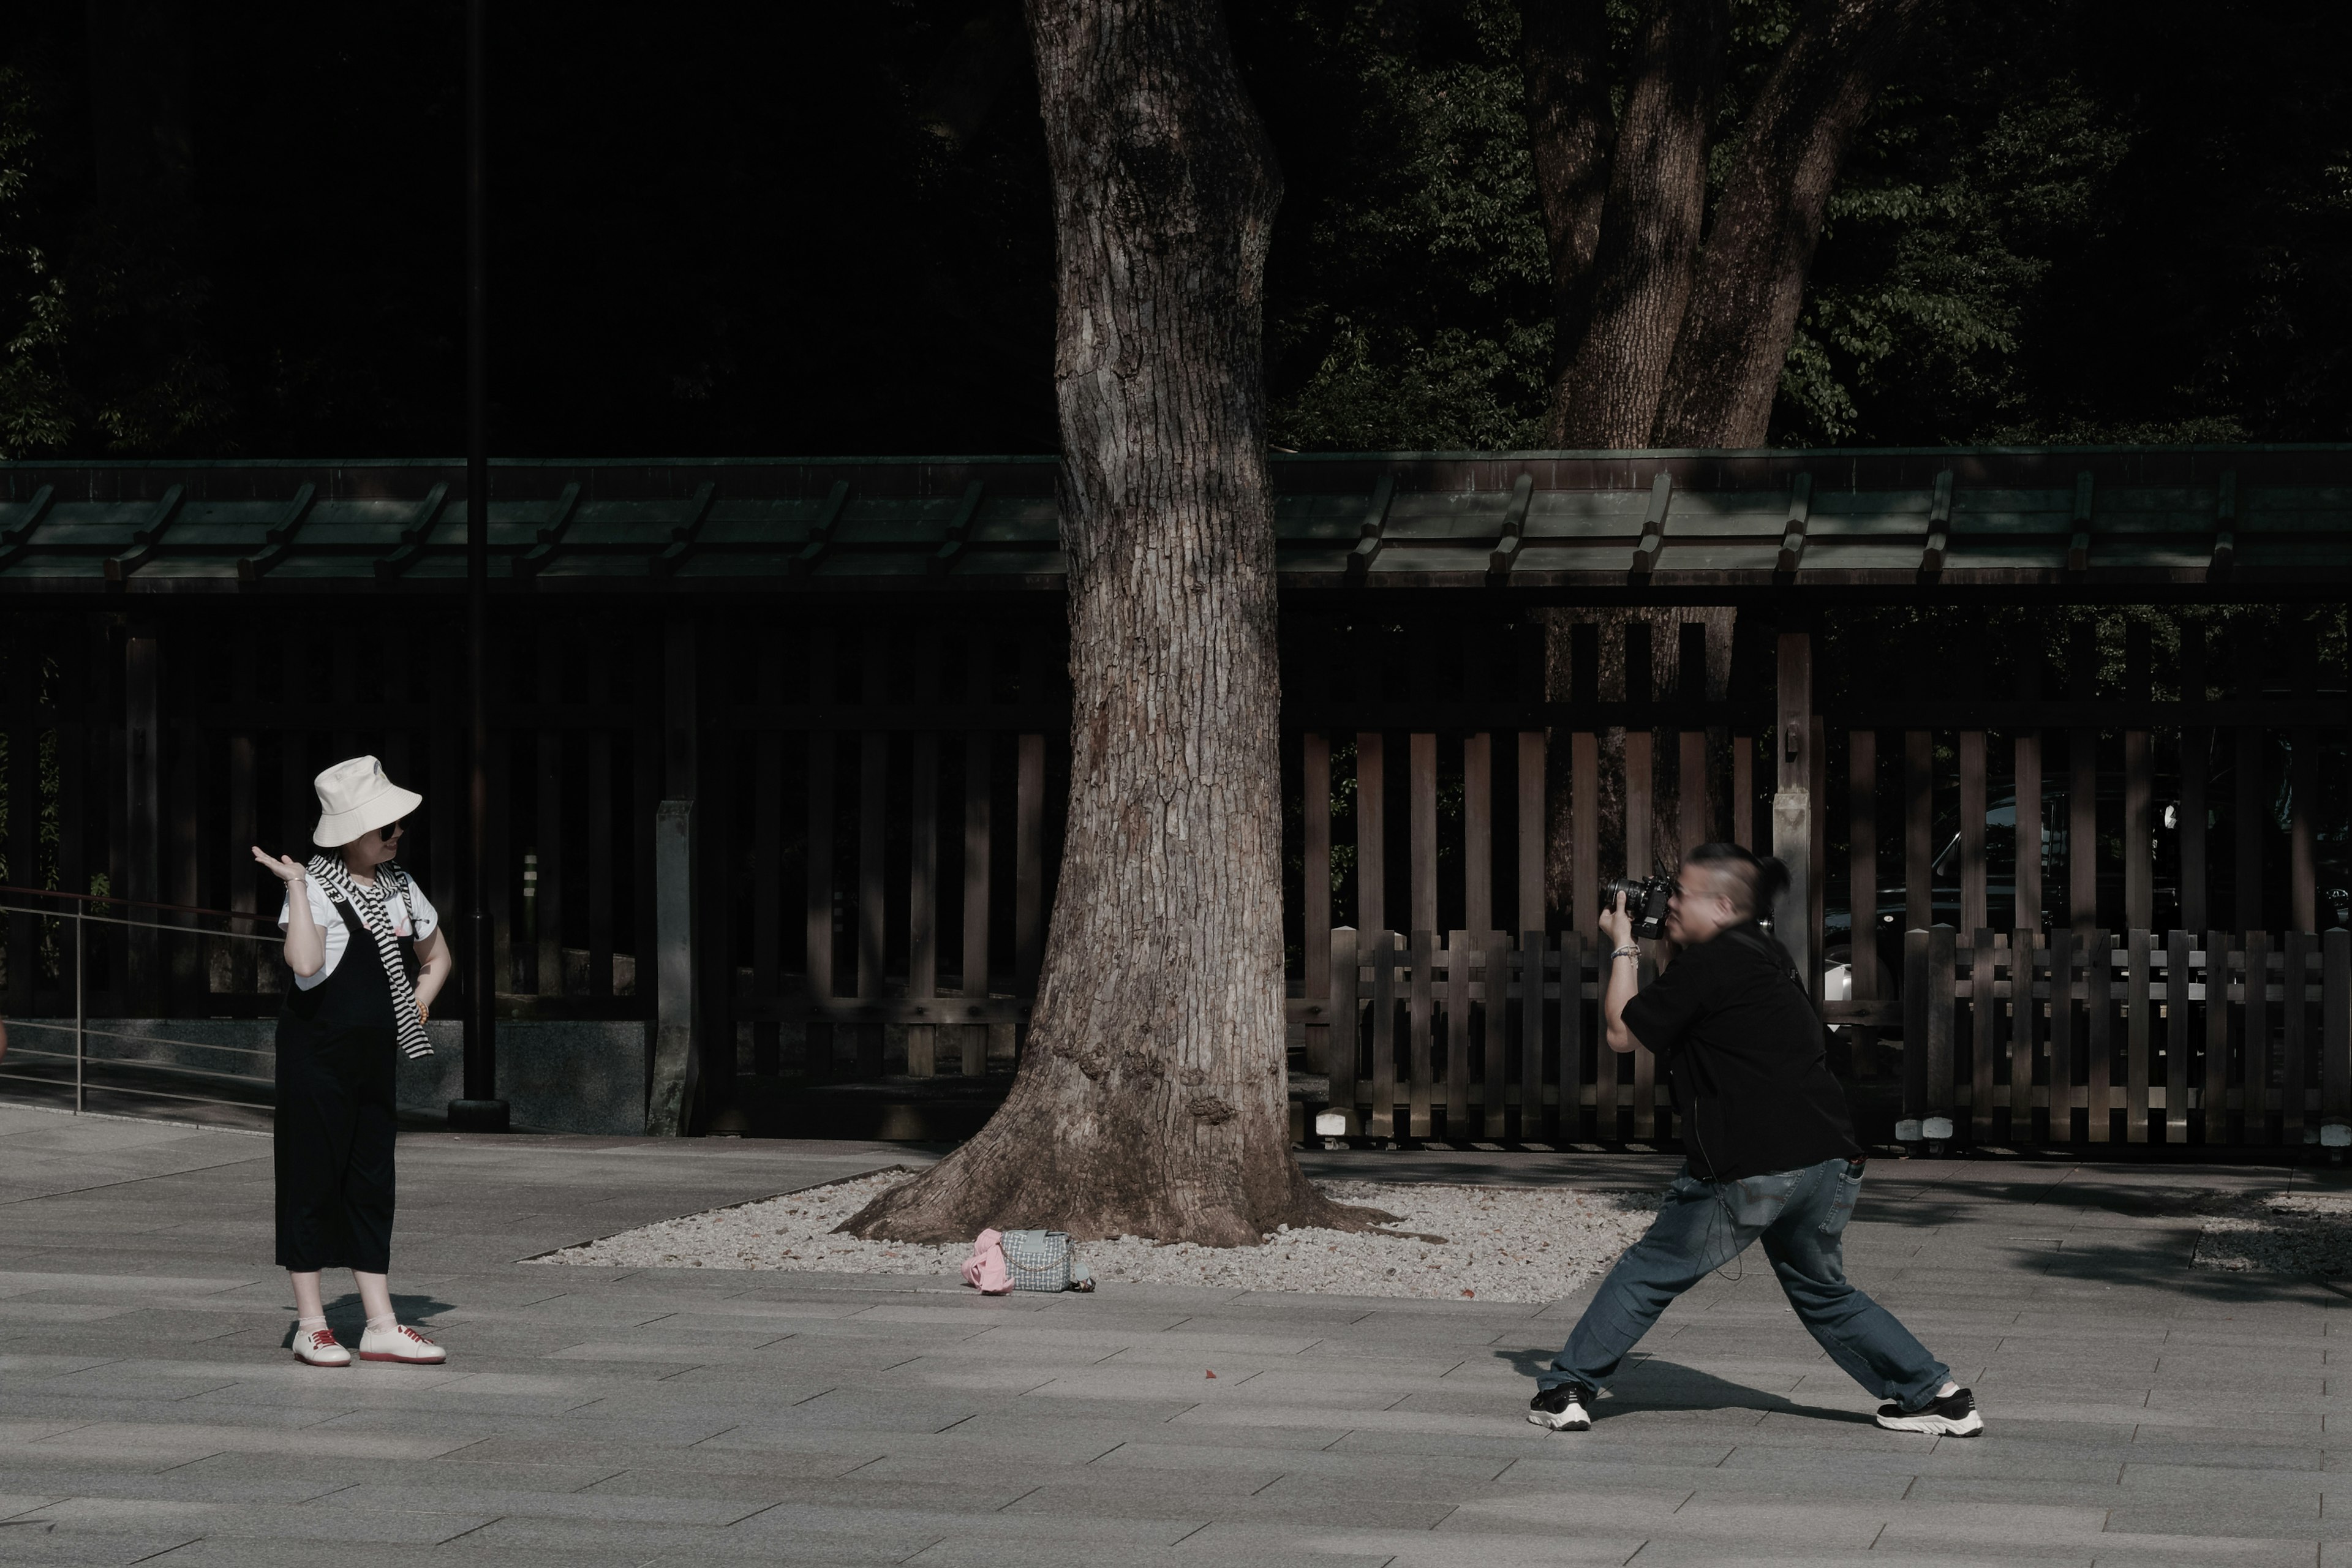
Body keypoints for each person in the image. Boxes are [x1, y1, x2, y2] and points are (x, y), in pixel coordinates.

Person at [1526, 842, 1981, 1438]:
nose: (1670, 903)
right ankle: (1936, 1395)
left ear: (1721, 903)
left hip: (1750, 1164)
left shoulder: (1710, 964)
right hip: (1827, 1159)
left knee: (1650, 1269)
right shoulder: (1765, 955)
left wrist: (1624, 940)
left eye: (1681, 894)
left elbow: (1621, 1029)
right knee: (1823, 1292)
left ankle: (1567, 1388)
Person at [251, 756, 453, 1368]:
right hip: (316, 1054)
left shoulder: (402, 888)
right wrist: (293, 886)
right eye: (384, 827)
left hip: (372, 1056)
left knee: (372, 1182)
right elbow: (305, 966)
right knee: (311, 1177)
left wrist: (413, 1008)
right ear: (350, 833)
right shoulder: (312, 885)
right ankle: (311, 1324)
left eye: (398, 826)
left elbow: (438, 958)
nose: (396, 834)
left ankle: (381, 1323)